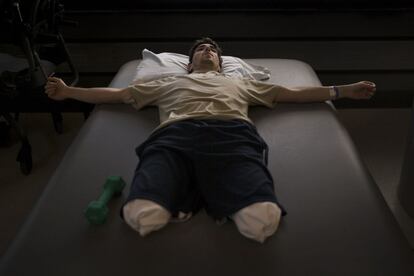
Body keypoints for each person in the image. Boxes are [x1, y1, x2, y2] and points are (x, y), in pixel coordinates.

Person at [45, 37, 376, 243]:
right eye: (202, 50)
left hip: (231, 136)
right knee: (141, 213)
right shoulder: (164, 84)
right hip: (173, 138)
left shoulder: (240, 83)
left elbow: (294, 93)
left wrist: (342, 91)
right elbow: (115, 95)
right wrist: (68, 92)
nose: (208, 52)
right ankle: (206, 197)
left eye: (213, 51)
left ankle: (194, 197)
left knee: (262, 218)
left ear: (221, 61)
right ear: (189, 63)